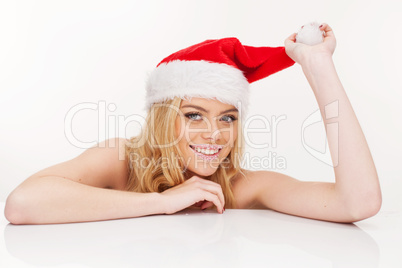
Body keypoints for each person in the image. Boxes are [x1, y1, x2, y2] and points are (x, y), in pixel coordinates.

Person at [4, 24, 381, 224]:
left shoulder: (239, 186)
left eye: (228, 118)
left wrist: (318, 67)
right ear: (163, 119)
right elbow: (22, 204)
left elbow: (358, 203)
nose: (214, 134)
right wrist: (160, 203)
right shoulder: (121, 158)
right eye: (194, 115)